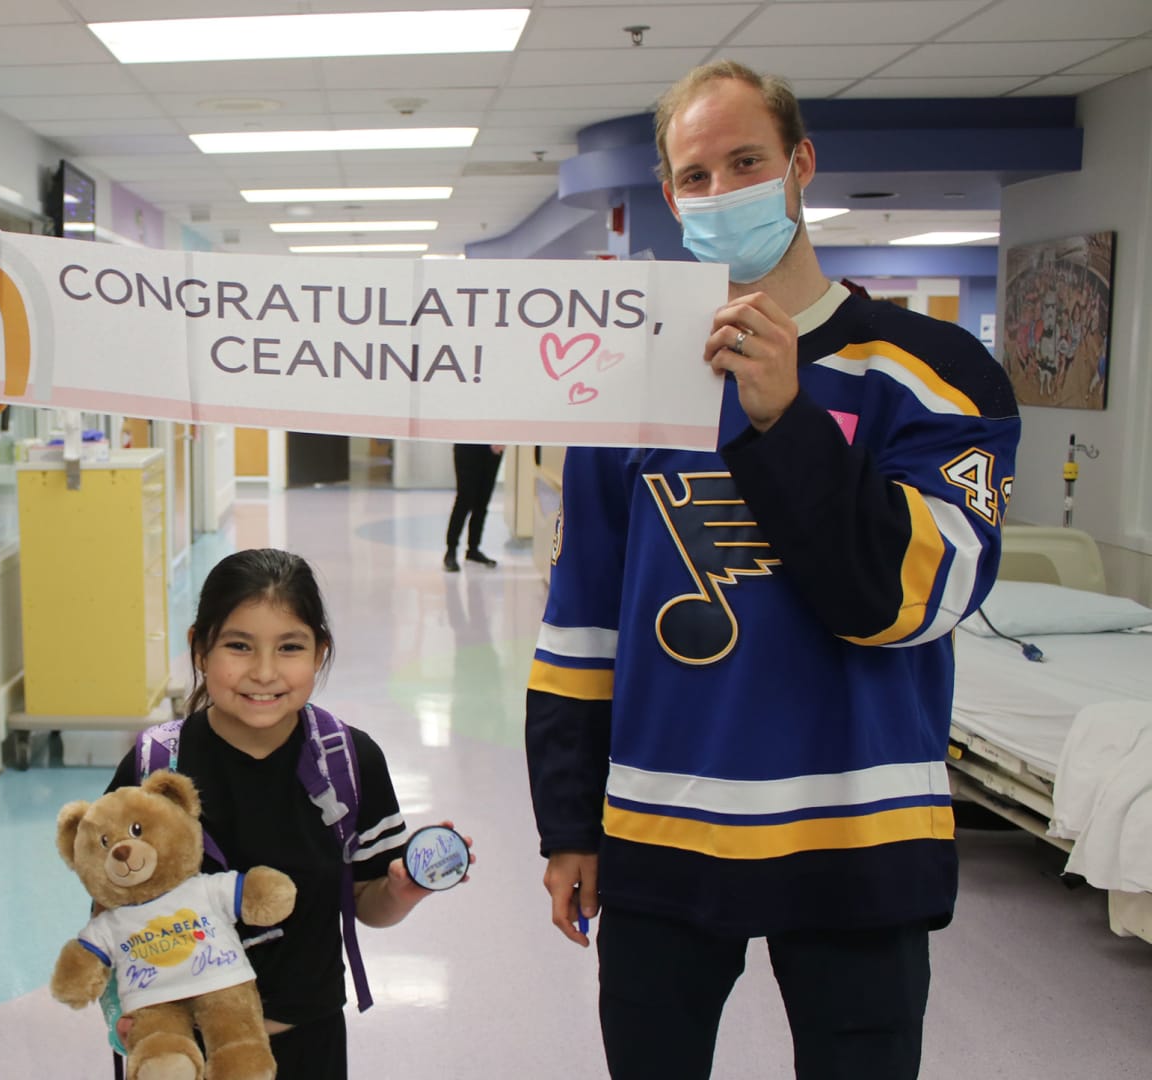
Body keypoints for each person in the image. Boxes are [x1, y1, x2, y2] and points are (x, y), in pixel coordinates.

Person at [525, 61, 1020, 1080]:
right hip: (664, 819)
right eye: (695, 176)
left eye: (746, 162)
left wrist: (785, 420)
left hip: (862, 828)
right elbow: (581, 627)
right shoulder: (625, 385)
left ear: (800, 165)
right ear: (670, 197)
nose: (721, 192)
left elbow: (907, 602)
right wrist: (567, 824)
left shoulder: (934, 375)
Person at [106, 549, 470, 1080]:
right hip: (178, 1052)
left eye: (290, 647)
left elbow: (368, 904)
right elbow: (110, 905)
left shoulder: (350, 762)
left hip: (308, 1043)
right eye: (238, 646)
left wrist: (400, 891)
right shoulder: (153, 767)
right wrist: (118, 1010)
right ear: (200, 649)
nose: (264, 672)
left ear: (320, 652)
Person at [444, 443, 506, 571]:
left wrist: (503, 441)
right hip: (467, 445)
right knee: (464, 499)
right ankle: (451, 550)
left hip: (492, 447)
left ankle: (473, 549)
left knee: (482, 501)